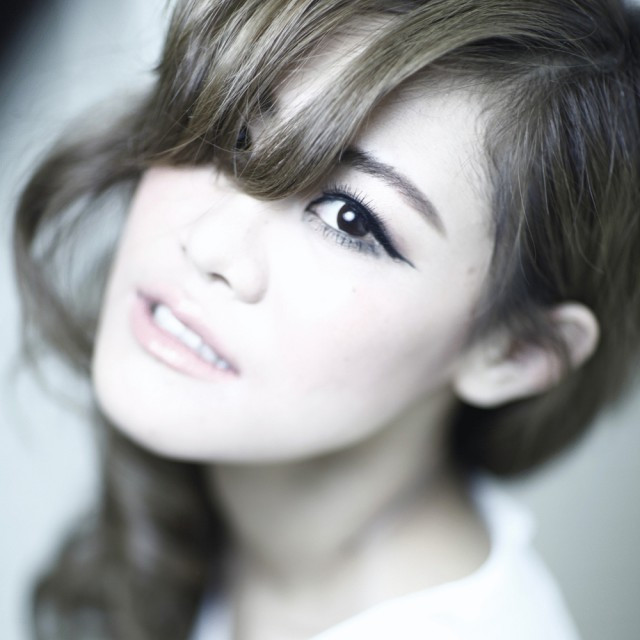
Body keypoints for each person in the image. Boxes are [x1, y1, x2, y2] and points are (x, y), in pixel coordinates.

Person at [11, 0, 640, 638]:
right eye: (234, 132)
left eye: (350, 218)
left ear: (515, 351)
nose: (209, 244)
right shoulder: (201, 507)